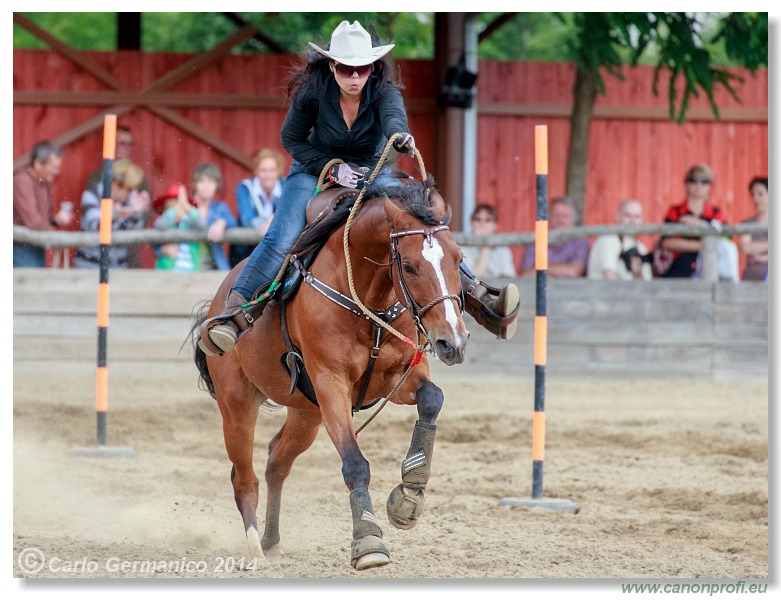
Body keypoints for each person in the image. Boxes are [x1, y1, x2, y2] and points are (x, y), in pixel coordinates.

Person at [202, 20, 519, 356]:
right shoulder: (312, 93)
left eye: (362, 69)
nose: (354, 78)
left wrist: (400, 137)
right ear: (332, 66)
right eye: (346, 69)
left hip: (372, 171)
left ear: (373, 67)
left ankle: (480, 301)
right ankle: (233, 315)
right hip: (314, 170)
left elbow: (394, 119)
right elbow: (291, 139)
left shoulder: (384, 91)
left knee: (422, 223)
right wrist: (331, 168)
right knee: (280, 238)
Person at [85, 125, 152, 268]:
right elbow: (95, 221)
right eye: (122, 143)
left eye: (130, 144)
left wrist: (136, 213)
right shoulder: (97, 178)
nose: (126, 148)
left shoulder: (138, 178)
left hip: (127, 249)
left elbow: (144, 216)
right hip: (95, 257)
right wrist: (117, 214)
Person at [74, 159, 148, 269]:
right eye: (127, 189)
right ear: (114, 184)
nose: (129, 193)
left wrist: (136, 213)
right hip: (89, 267)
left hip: (119, 267)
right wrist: (118, 215)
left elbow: (133, 230)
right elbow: (98, 227)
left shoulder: (126, 200)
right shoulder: (91, 195)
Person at [658, 163, 728, 279]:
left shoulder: (716, 212)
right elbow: (667, 242)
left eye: (704, 181)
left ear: (710, 187)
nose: (698, 185)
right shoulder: (675, 211)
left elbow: (725, 240)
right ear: (686, 184)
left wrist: (699, 224)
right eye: (693, 180)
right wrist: (702, 245)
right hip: (678, 269)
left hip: (708, 269)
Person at [13, 140, 74, 267]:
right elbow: (33, 222)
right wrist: (57, 237)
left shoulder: (43, 181)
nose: (56, 172)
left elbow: (43, 220)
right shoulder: (22, 181)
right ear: (38, 163)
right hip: (19, 246)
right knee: (31, 284)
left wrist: (56, 220)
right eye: (53, 167)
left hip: (35, 243)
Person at [229, 148, 286, 267]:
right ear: (256, 171)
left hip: (278, 251)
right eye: (263, 170)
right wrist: (275, 222)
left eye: (271, 170)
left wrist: (273, 219)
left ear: (278, 171)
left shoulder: (286, 186)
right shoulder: (245, 188)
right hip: (247, 251)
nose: (267, 175)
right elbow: (247, 220)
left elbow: (292, 215)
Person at [519, 197, 590, 278]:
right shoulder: (535, 242)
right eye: (556, 215)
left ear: (573, 220)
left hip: (571, 290)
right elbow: (525, 274)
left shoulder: (581, 243)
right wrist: (560, 272)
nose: (560, 220)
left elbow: (573, 271)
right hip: (537, 290)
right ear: (548, 219)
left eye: (565, 216)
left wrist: (540, 269)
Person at [587, 198, 653, 281]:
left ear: (642, 220)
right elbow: (610, 276)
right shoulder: (609, 237)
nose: (632, 220)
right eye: (627, 215)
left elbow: (647, 286)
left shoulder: (642, 248)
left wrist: (637, 275)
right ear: (617, 216)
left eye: (637, 217)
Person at [460, 204, 516, 279]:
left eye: (488, 220)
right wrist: (485, 247)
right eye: (478, 219)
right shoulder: (463, 247)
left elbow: (509, 276)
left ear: (495, 225)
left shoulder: (502, 246)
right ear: (471, 223)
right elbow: (472, 279)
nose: (482, 224)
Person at [738, 177, 768, 281]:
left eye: (760, 194)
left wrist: (760, 254)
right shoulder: (747, 223)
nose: (756, 199)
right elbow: (746, 248)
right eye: (753, 195)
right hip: (751, 278)